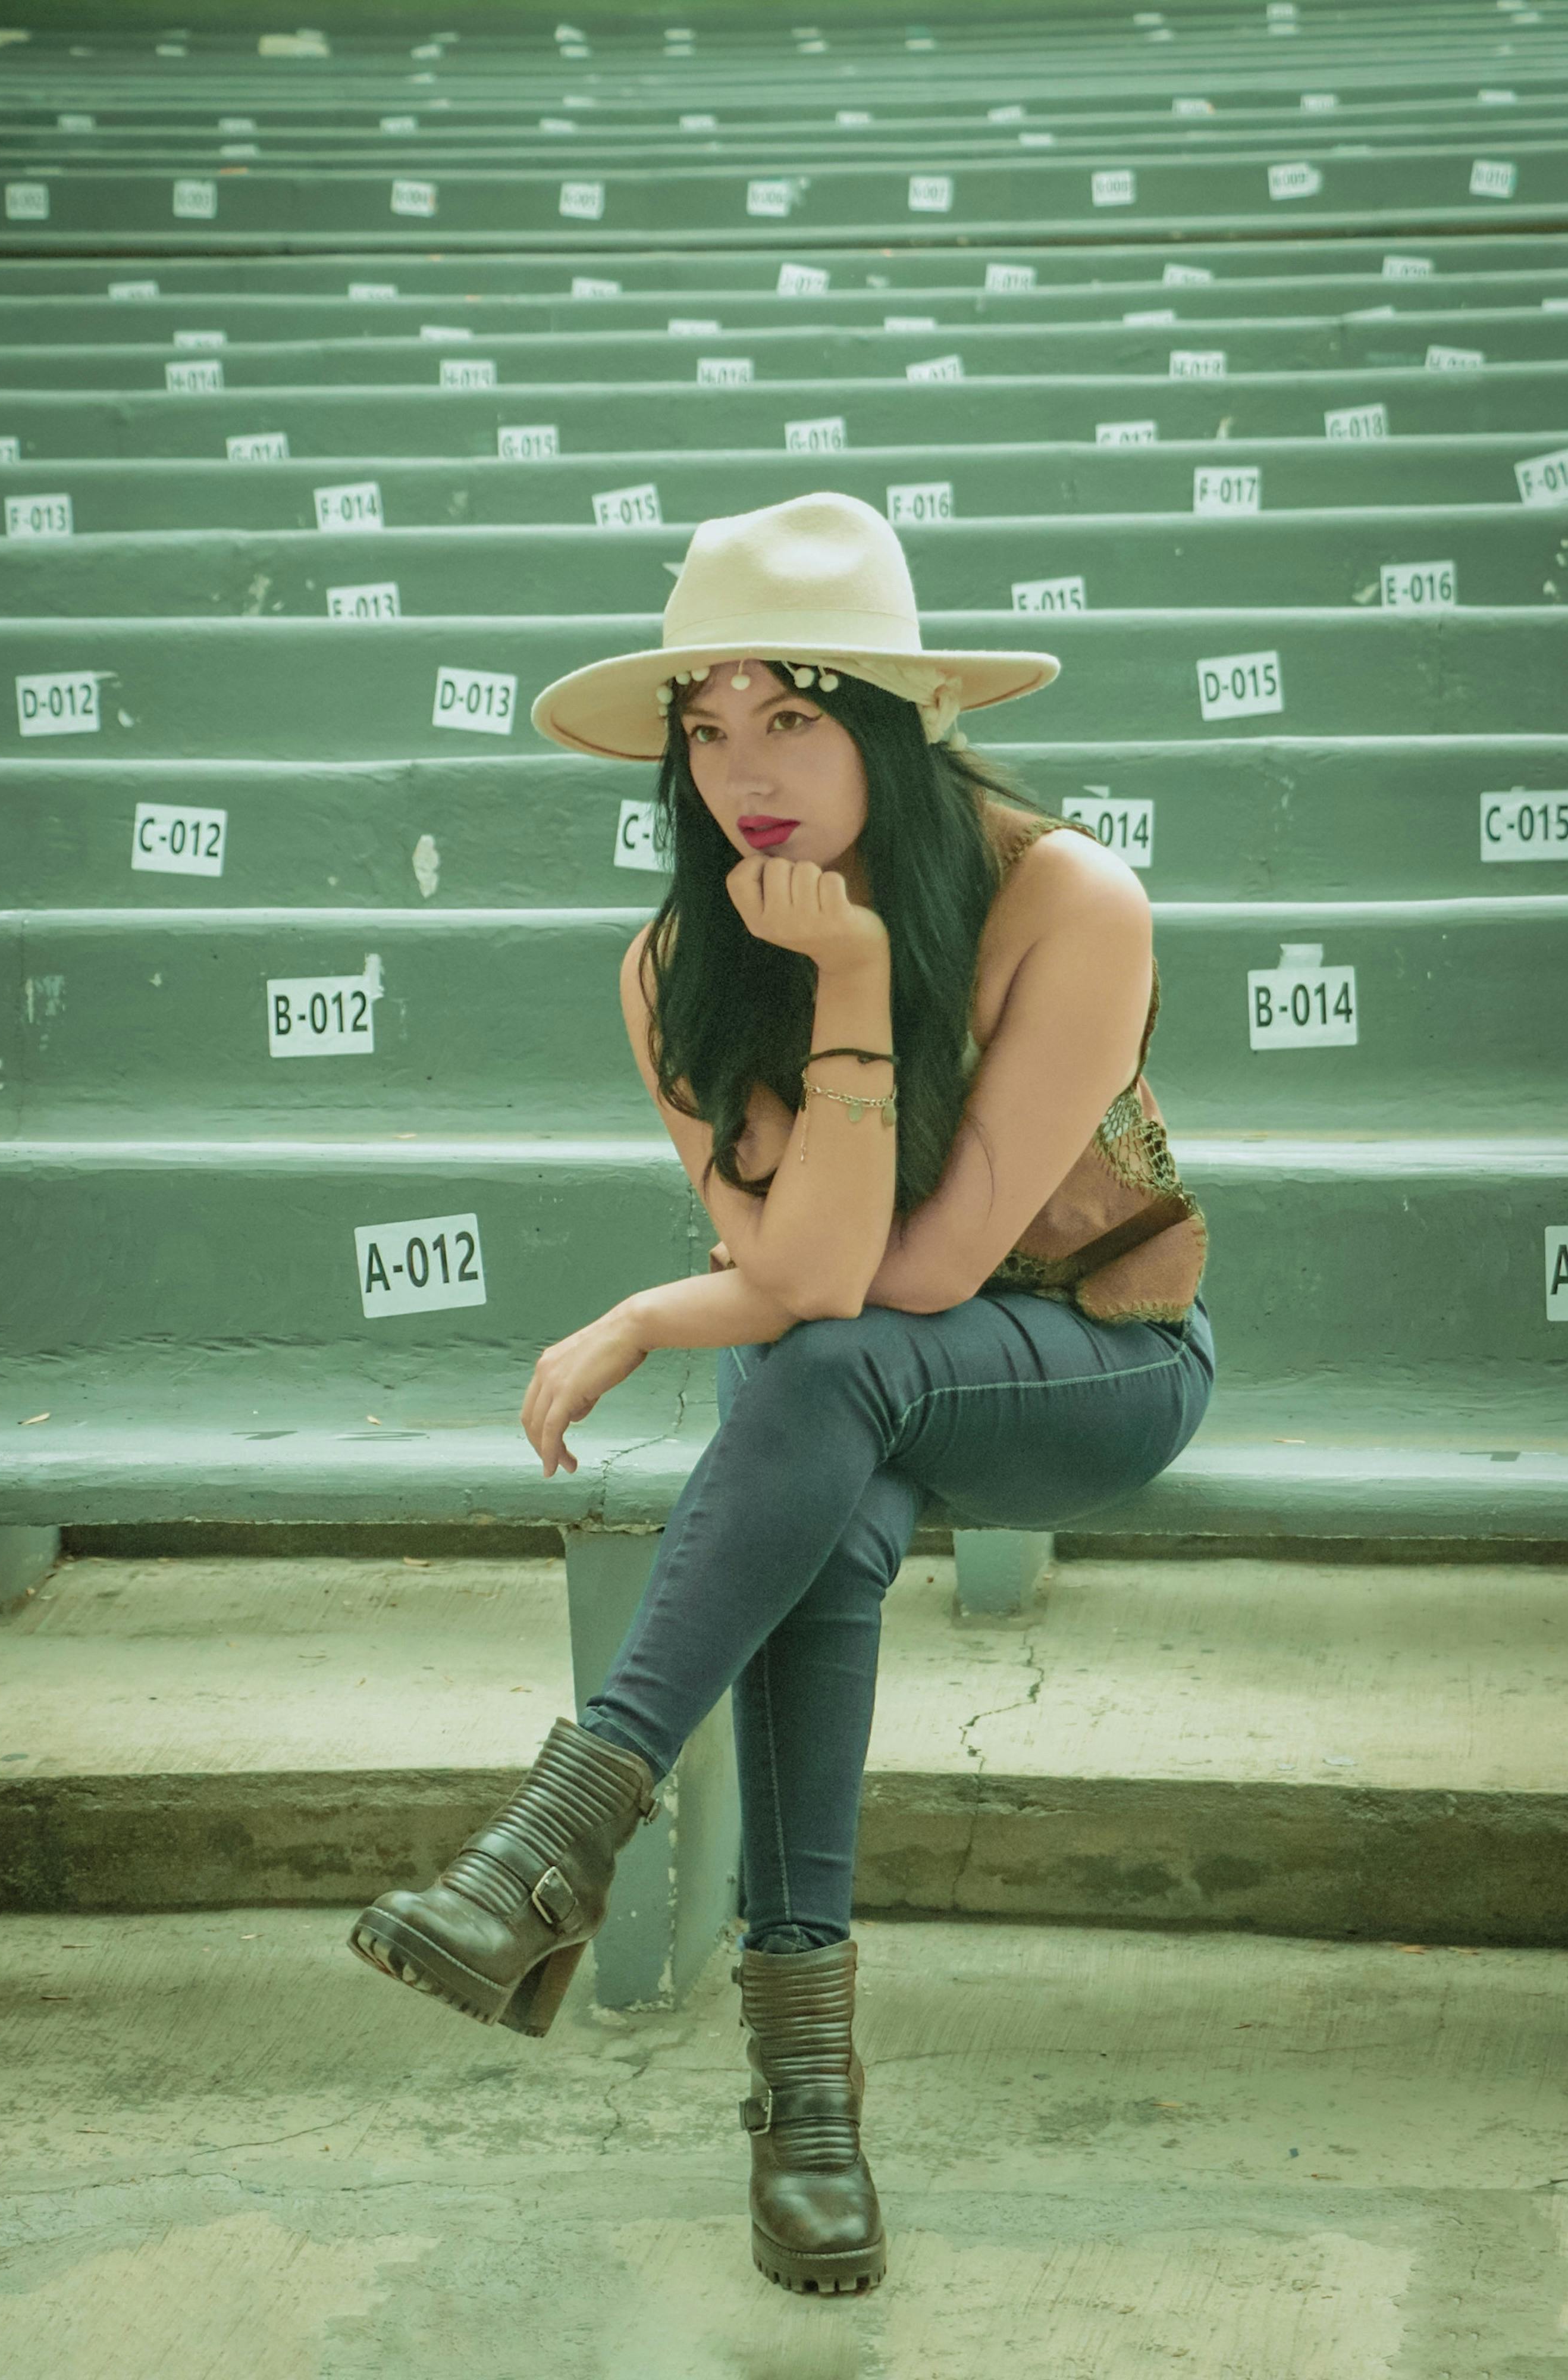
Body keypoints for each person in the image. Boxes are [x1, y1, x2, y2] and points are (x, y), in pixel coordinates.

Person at [349, 491, 1215, 2298]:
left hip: (1097, 1366)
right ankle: (800, 2096)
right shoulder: (672, 966)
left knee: (820, 1379)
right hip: (861, 1388)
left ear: (890, 728)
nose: (745, 768)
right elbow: (812, 1287)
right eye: (706, 724)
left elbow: (901, 1274)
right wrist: (819, 992)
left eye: (796, 715)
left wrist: (648, 1312)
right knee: (819, 1455)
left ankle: (557, 1842)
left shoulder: (1067, 897)